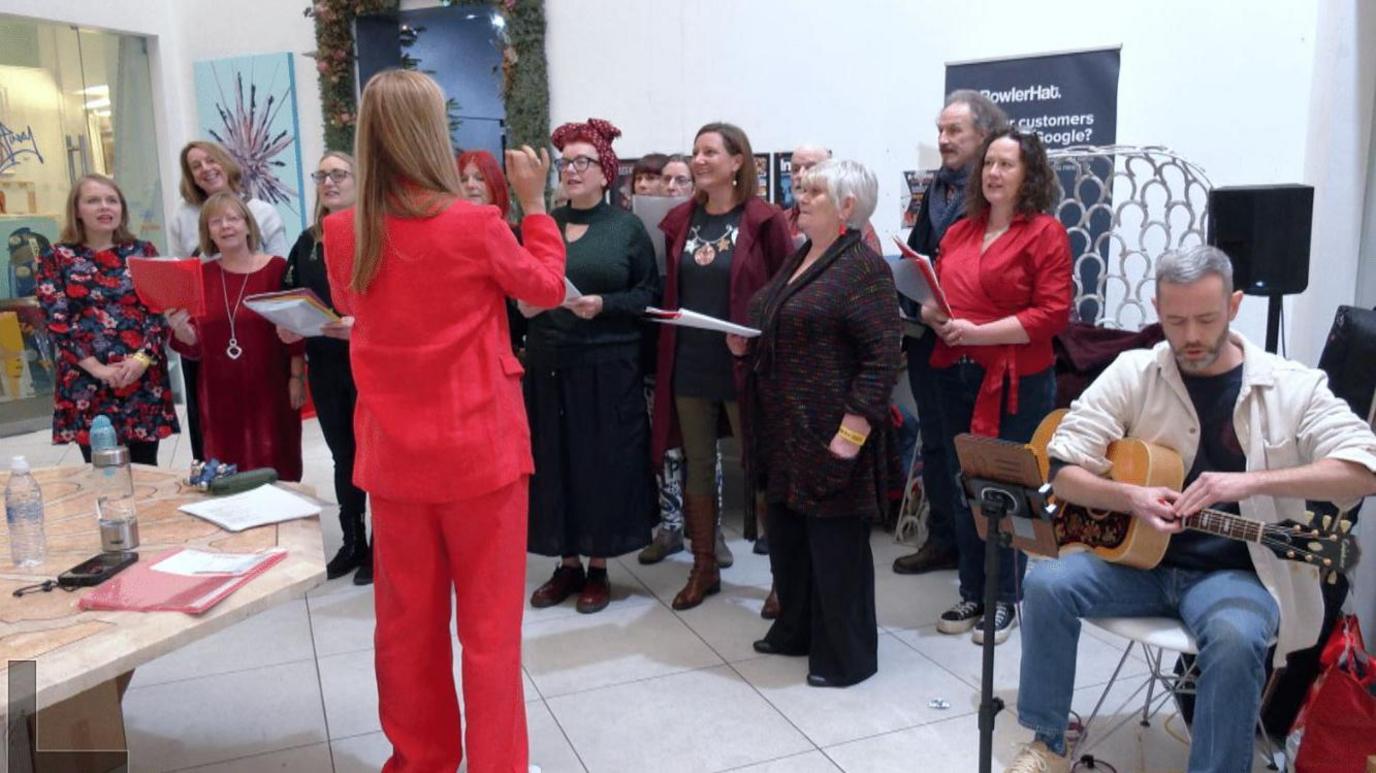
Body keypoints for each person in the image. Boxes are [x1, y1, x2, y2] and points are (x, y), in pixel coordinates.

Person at [1005, 246, 1376, 773]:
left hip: (1237, 575)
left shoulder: (1291, 385)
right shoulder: (1134, 371)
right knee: (1047, 583)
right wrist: (1128, 496)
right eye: (1175, 320)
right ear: (1157, 308)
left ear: (1235, 305)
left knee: (1234, 637)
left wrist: (1251, 481)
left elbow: (1365, 467)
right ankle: (1047, 740)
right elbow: (1063, 466)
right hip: (1138, 565)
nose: (1191, 336)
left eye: (1206, 318)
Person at [322, 69, 564, 772]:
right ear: (433, 133)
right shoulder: (475, 224)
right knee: (489, 634)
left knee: (406, 630)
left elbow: (357, 301)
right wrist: (535, 205)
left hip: (395, 458)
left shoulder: (344, 234)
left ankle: (421, 760)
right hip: (480, 453)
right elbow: (544, 290)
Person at [734, 159, 901, 688]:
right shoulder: (804, 255)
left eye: (814, 191)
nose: (799, 196)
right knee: (789, 541)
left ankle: (844, 656)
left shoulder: (865, 268)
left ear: (846, 207)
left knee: (835, 552)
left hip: (831, 433)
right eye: (800, 189)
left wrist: (850, 440)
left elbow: (881, 361)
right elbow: (772, 314)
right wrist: (744, 337)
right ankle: (796, 630)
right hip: (786, 431)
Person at [923, 128, 1071, 644]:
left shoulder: (1045, 232)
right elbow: (938, 294)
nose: (993, 173)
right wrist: (931, 313)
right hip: (954, 368)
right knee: (964, 485)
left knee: (1005, 490)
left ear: (1029, 174)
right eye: (988, 163)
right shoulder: (961, 231)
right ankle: (971, 590)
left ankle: (1005, 597)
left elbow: (1052, 314)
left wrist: (981, 332)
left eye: (1006, 164)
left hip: (1017, 380)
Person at [651, 122, 793, 610]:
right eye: (695, 152)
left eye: (710, 151)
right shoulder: (679, 221)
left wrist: (756, 338)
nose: (699, 160)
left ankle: (783, 576)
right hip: (689, 362)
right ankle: (704, 566)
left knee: (762, 467)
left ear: (738, 162)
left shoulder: (765, 220)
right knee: (696, 463)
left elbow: (784, 292)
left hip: (745, 365)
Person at [524, 118, 660, 614]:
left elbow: (648, 295)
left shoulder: (626, 228)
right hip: (549, 363)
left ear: (606, 173)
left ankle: (598, 568)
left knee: (600, 465)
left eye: (583, 162)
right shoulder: (544, 225)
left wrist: (605, 304)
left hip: (606, 364)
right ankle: (565, 564)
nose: (572, 170)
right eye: (566, 163)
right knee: (554, 463)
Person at [893, 90, 1009, 577]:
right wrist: (918, 306)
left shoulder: (999, 194)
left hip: (981, 348)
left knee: (977, 453)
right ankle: (944, 540)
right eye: (939, 131)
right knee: (937, 446)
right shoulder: (934, 191)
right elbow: (921, 257)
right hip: (930, 341)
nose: (942, 140)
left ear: (984, 136)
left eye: (953, 131)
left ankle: (984, 559)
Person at [35, 174, 180, 463]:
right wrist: (99, 370)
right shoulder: (56, 257)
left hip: (140, 379)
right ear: (77, 210)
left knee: (145, 470)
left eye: (111, 200)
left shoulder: (143, 252)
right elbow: (57, 321)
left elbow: (160, 312)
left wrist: (142, 360)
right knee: (102, 473)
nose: (104, 207)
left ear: (122, 209)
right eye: (93, 200)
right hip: (86, 381)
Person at [278, 152, 371, 584]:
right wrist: (288, 327)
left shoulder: (375, 231)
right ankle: (353, 541)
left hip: (371, 361)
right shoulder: (309, 240)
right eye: (322, 175)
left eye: (339, 174)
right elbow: (293, 295)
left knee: (377, 454)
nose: (329, 182)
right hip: (327, 362)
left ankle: (385, 547)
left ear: (359, 179)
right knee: (343, 455)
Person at [166, 192, 304, 481]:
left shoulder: (277, 268)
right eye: (216, 222)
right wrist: (179, 327)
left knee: (279, 467)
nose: (225, 226)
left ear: (248, 225)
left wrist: (297, 378)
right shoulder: (199, 276)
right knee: (226, 473)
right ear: (208, 233)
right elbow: (193, 343)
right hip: (218, 394)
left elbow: (295, 330)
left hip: (272, 387)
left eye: (233, 218)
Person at [779, 144, 882, 254]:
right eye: (795, 169)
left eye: (811, 168)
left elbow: (869, 265)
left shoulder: (855, 225)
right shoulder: (782, 221)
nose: (800, 175)